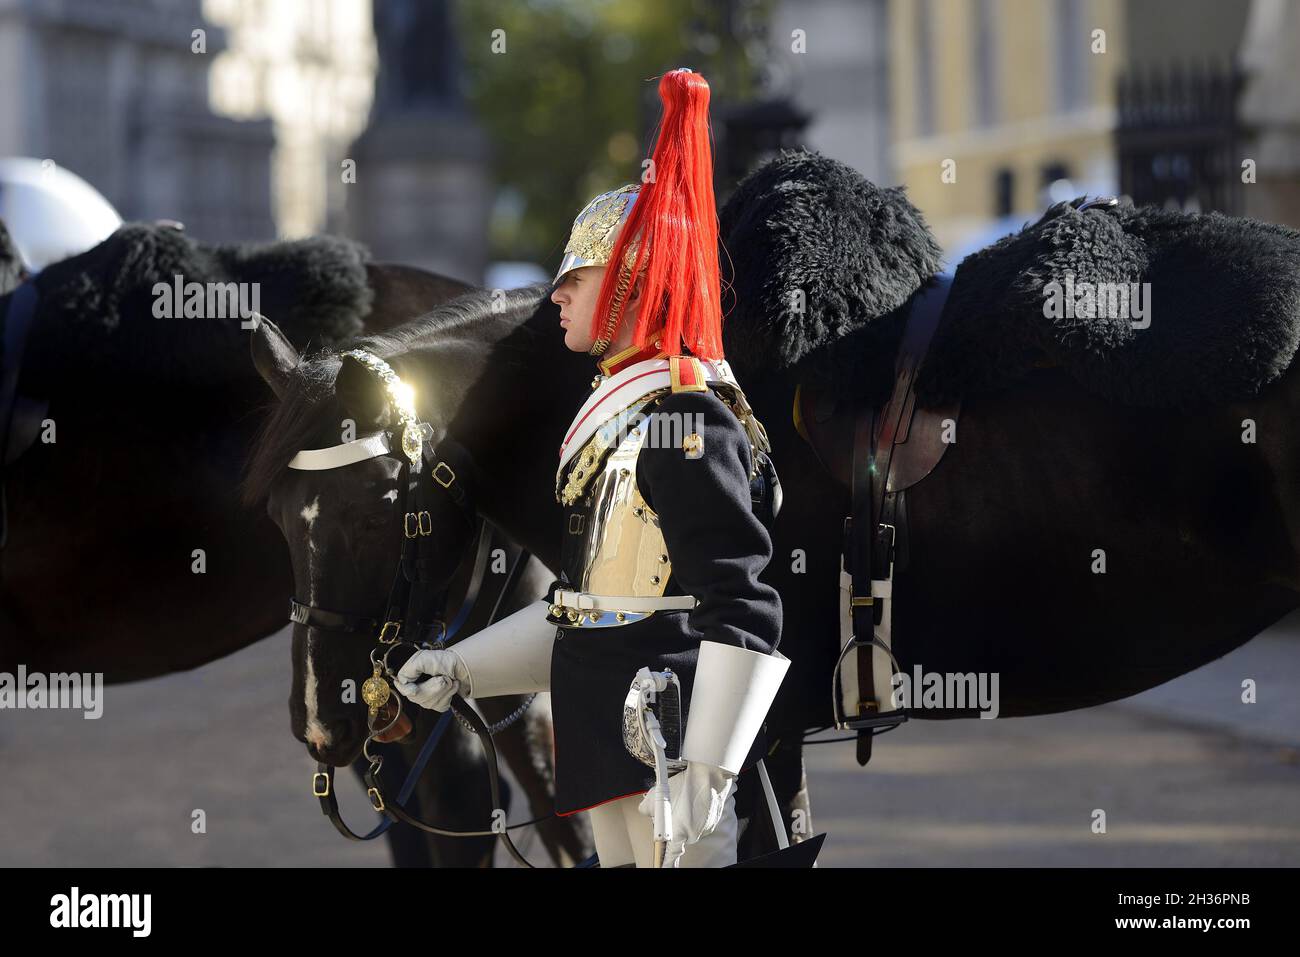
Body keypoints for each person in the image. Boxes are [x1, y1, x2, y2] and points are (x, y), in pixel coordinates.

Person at [396, 68, 786, 868]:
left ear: (633, 284)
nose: (558, 295)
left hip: (668, 762)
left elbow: (741, 603)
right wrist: (465, 666)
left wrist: (708, 769)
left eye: (577, 276)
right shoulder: (612, 423)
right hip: (603, 753)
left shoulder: (682, 417)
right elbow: (589, 612)